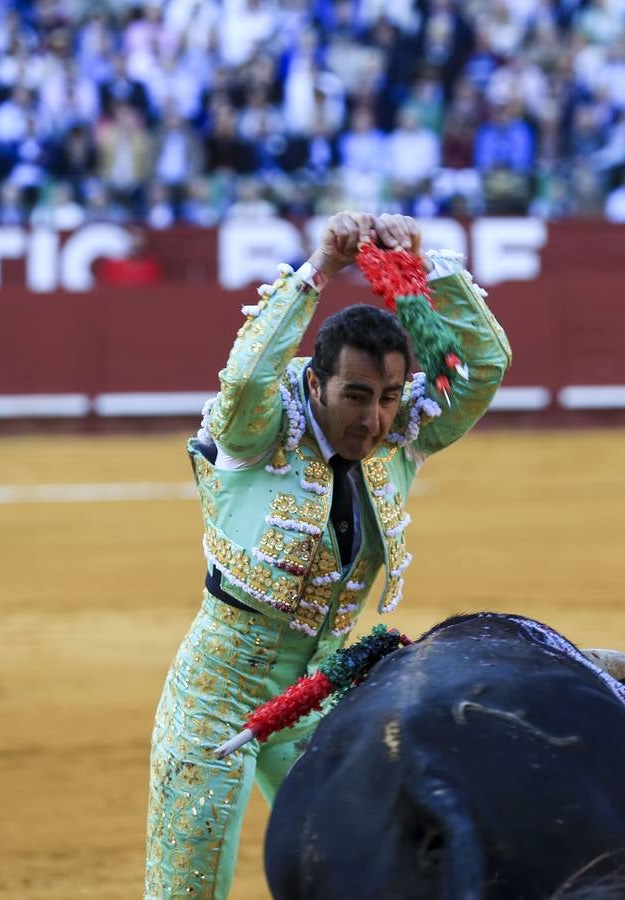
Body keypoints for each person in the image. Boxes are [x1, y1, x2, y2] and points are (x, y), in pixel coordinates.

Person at [145, 211, 512, 899]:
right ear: (316, 386)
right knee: (187, 892)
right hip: (214, 697)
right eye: (354, 396)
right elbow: (247, 380)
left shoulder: (400, 437)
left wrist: (423, 269)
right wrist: (318, 269)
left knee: (368, 879)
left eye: (387, 398)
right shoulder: (263, 432)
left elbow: (484, 368)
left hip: (320, 697)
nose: (372, 419)